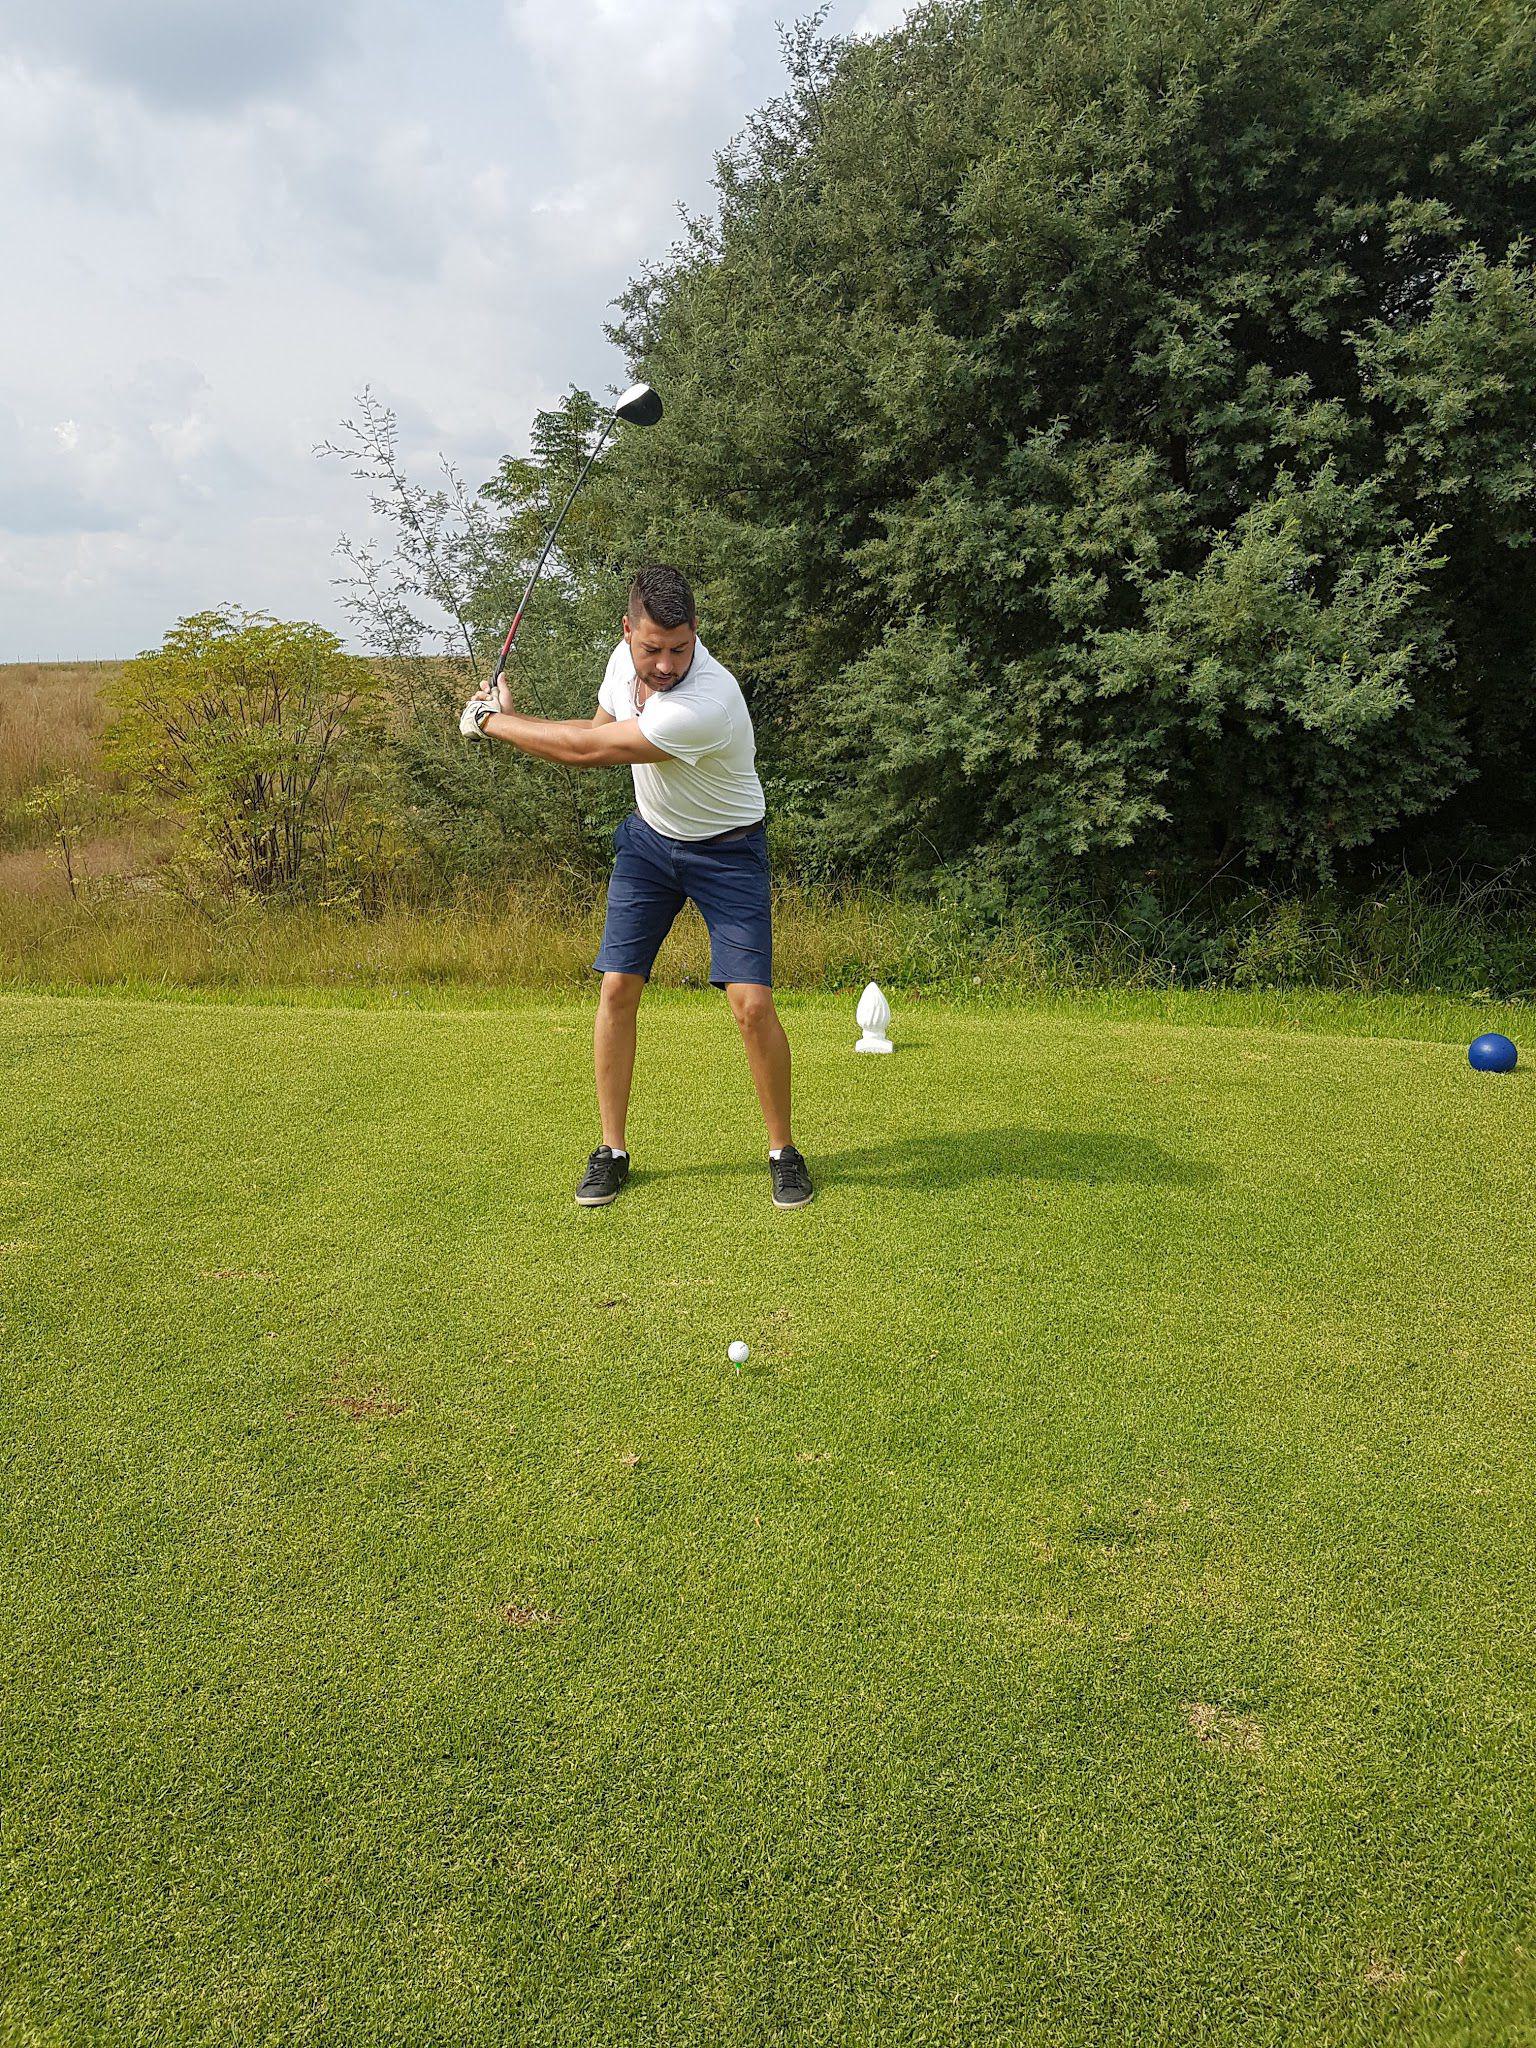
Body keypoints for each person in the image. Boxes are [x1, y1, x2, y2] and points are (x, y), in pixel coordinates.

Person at [460, 563, 813, 1211]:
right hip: (651, 842)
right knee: (617, 987)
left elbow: (587, 755)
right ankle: (612, 1151)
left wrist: (490, 723)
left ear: (696, 634)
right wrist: (514, 715)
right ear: (628, 632)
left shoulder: (707, 702)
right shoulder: (622, 666)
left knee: (751, 1005)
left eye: (680, 648)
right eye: (652, 648)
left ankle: (783, 1152)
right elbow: (594, 733)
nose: (666, 664)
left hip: (728, 850)